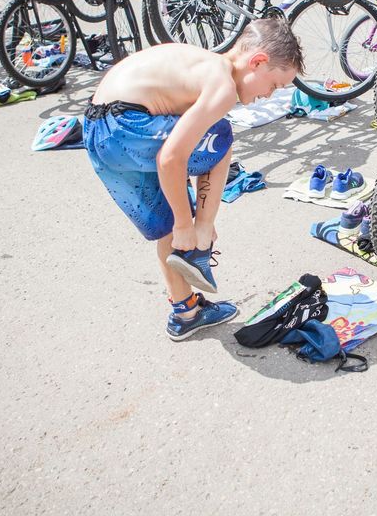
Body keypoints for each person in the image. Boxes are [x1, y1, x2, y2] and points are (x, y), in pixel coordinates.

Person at [83, 19, 304, 341]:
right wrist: (192, 224)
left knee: (169, 226)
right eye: (274, 85)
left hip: (97, 132)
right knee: (222, 137)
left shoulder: (201, 63)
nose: (268, 96)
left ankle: (186, 312)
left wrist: (181, 220)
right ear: (257, 62)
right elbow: (171, 158)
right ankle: (201, 234)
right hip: (125, 126)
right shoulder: (223, 87)